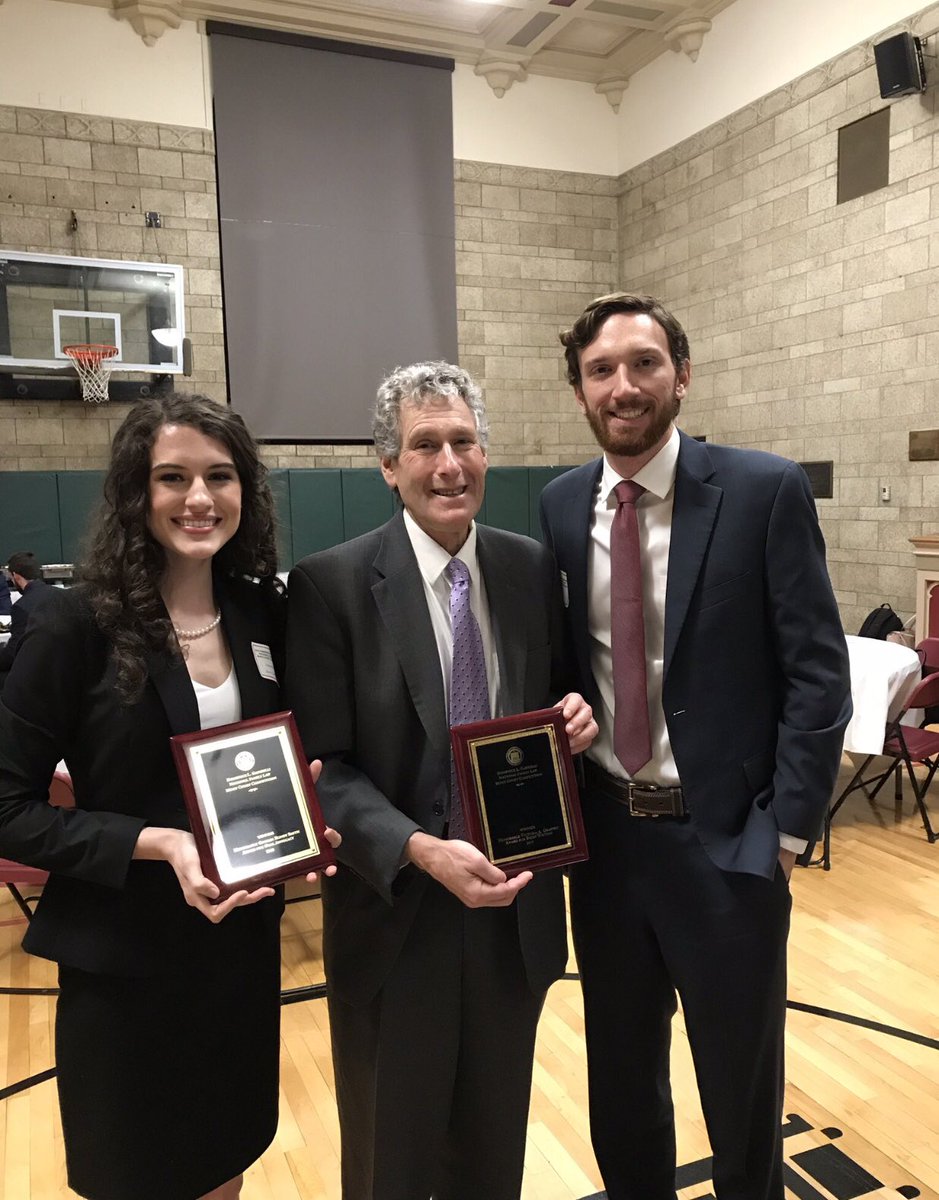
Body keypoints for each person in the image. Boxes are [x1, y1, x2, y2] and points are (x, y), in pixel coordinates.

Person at [539, 293, 851, 1200]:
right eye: (601, 370)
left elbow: (815, 675)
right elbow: (567, 662)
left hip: (727, 846)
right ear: (578, 391)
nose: (623, 385)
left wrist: (786, 833)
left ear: (682, 374)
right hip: (606, 845)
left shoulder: (762, 490)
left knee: (739, 1086)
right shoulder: (561, 505)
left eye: (643, 364)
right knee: (621, 1081)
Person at [0, 392, 338, 1200]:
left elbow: (289, 755)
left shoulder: (263, 610)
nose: (198, 498)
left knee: (225, 1164)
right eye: (172, 478)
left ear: (244, 493)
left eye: (219, 477)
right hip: (124, 967)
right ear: (134, 493)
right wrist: (159, 844)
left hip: (235, 957)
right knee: (137, 1176)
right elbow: (8, 804)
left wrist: (309, 812)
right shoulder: (73, 621)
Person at [286, 361, 597, 1200]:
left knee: (492, 1163)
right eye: (424, 445)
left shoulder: (532, 569)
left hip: (514, 914)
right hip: (396, 920)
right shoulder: (331, 585)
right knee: (390, 1165)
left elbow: (559, 700)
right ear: (388, 465)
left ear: (486, 453)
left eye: (463, 441)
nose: (448, 464)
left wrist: (576, 715)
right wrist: (420, 849)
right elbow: (324, 771)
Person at [0, 551, 54, 684]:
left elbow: (13, 654)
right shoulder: (61, 595)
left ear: (16, 576)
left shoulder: (21, 607)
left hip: (36, 675)